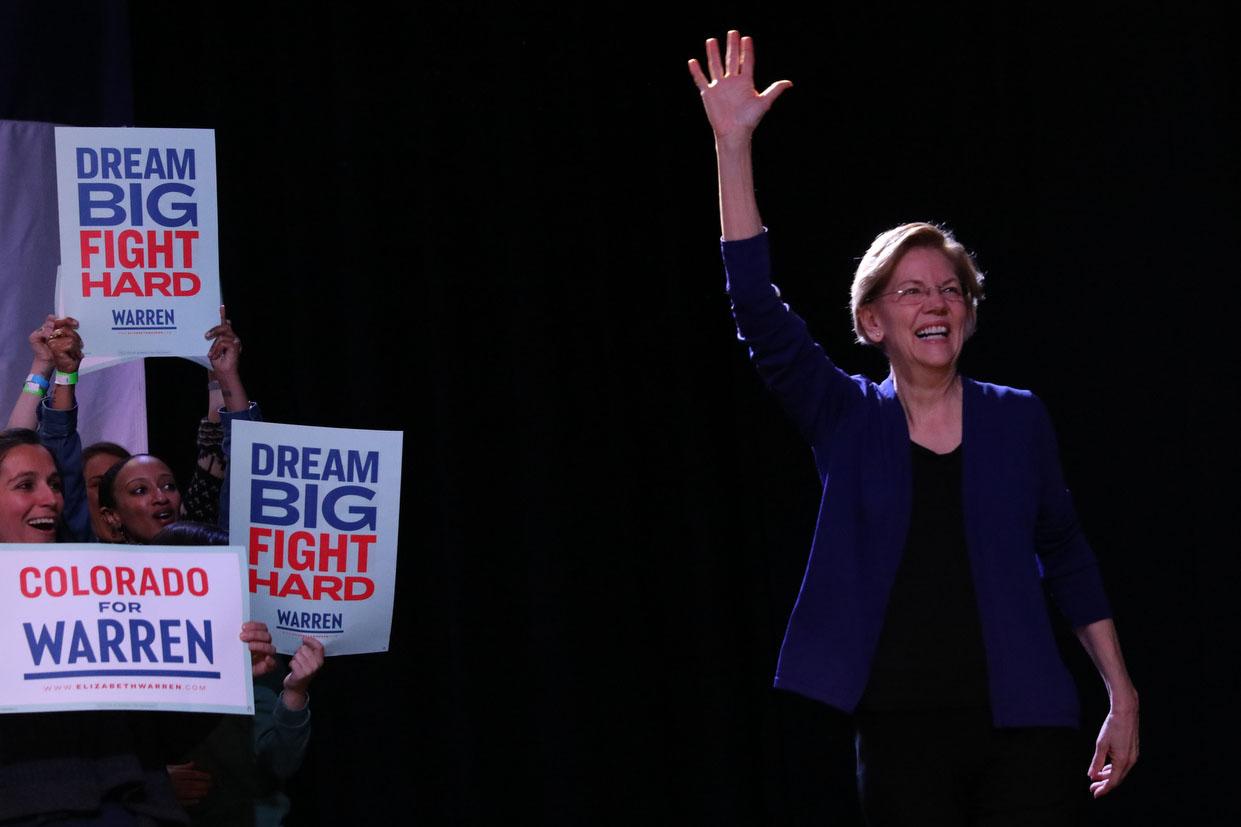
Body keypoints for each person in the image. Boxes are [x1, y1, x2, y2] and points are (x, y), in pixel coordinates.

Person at [689, 31, 1138, 824]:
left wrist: (1120, 690)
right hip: (899, 725)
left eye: (950, 290)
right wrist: (733, 145)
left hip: (1028, 722)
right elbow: (756, 310)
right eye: (909, 291)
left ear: (967, 310)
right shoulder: (845, 416)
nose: (935, 303)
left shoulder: (1016, 417)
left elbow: (1064, 551)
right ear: (870, 320)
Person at [153, 522, 323, 827]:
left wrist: (295, 693)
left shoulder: (251, 653)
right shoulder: (134, 661)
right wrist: (155, 784)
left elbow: (280, 763)